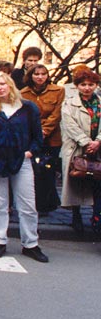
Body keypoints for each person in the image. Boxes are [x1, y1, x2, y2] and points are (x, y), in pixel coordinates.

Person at [0, 72, 48, 262]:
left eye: (2, 84)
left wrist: (30, 152)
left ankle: (30, 244)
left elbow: (37, 137)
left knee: (28, 204)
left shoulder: (28, 108)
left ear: (9, 84)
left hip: (21, 161)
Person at [59, 67, 101, 233]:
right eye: (83, 84)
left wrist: (97, 141)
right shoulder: (69, 103)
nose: (87, 87)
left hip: (98, 148)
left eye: (91, 84)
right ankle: (76, 216)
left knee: (96, 181)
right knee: (76, 179)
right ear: (77, 86)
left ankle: (96, 216)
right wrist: (85, 142)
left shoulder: (99, 102)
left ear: (96, 85)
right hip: (76, 147)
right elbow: (69, 125)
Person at [20, 64, 64, 214]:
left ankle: (47, 204)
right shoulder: (23, 93)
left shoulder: (58, 91)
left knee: (48, 170)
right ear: (30, 76)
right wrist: (36, 132)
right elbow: (24, 115)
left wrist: (44, 131)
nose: (40, 77)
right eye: (36, 74)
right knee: (34, 170)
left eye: (43, 74)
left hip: (52, 138)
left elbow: (57, 114)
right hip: (32, 137)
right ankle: (36, 204)